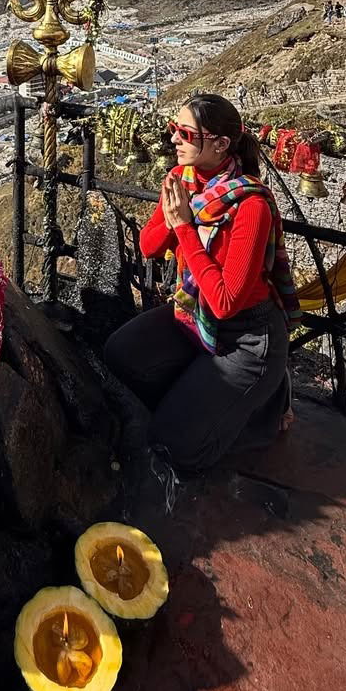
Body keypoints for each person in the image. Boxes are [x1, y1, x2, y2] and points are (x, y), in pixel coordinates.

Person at [104, 93, 300, 475]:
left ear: (221, 144)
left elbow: (226, 300)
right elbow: (148, 246)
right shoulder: (182, 179)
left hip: (247, 339)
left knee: (173, 448)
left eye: (185, 133)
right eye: (173, 129)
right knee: (120, 354)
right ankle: (205, 401)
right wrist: (176, 212)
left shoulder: (250, 206)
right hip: (196, 316)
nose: (174, 139)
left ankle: (257, 410)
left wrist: (184, 228)